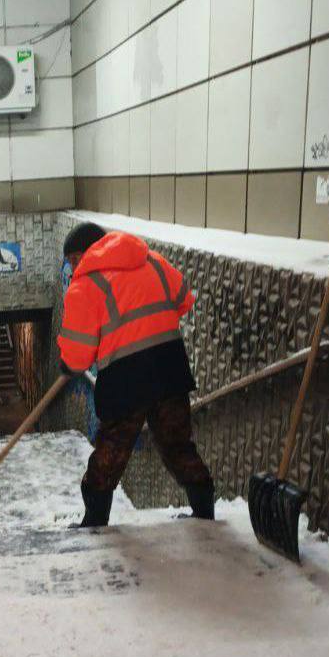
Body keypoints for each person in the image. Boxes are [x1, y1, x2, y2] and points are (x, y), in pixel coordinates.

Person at [58, 222, 214, 526]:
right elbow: (183, 299)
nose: (73, 267)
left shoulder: (86, 284)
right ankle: (205, 511)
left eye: (74, 259)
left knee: (112, 449)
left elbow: (78, 354)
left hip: (124, 376)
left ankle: (94, 521)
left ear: (89, 251)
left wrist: (69, 363)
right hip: (169, 365)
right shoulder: (153, 261)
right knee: (176, 442)